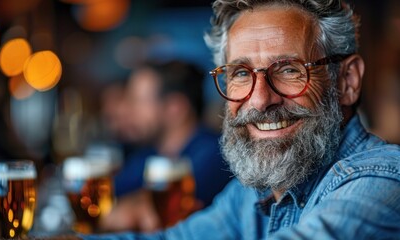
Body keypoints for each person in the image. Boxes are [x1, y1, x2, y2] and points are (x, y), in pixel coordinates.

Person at [82, 0, 400, 239]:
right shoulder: (251, 194)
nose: (260, 99)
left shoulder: (383, 180)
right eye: (241, 74)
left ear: (347, 81)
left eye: (289, 70)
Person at [100, 60, 232, 232]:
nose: (127, 110)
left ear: (175, 109)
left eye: (138, 101)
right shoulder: (148, 154)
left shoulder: (215, 154)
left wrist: (135, 205)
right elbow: (109, 197)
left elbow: (153, 212)